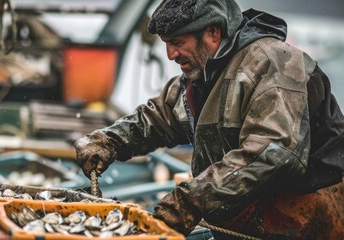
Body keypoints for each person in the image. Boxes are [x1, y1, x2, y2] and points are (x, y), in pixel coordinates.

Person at [74, 0, 344, 238]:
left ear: (213, 33)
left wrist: (194, 198)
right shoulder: (202, 75)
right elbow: (160, 117)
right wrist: (110, 140)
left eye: (178, 43)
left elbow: (273, 151)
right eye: (167, 45)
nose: (171, 55)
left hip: (304, 223)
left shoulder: (275, 63)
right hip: (246, 222)